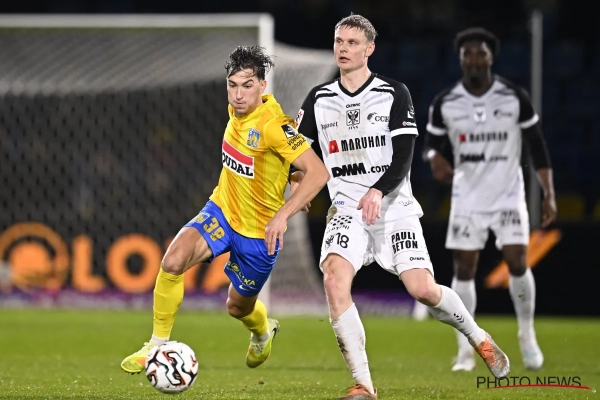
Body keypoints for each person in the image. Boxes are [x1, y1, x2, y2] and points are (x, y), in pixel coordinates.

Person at [292, 15, 510, 400]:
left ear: (369, 48)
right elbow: (300, 156)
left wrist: (377, 191)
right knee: (334, 281)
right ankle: (364, 385)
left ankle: (478, 337)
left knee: (422, 289)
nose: (343, 49)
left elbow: (404, 158)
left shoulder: (393, 93)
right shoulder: (318, 99)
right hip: (346, 209)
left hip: (394, 207)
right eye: (339, 41)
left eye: (352, 43)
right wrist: (298, 184)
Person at [120, 45, 330, 374]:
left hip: (259, 234)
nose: (238, 94)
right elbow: (275, 163)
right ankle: (156, 346)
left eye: (247, 85)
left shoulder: (274, 126)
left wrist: (283, 214)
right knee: (173, 261)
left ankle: (263, 331)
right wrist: (292, 175)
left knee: (237, 307)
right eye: (232, 85)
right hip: (222, 210)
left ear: (262, 86)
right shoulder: (236, 110)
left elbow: (318, 172)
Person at [423, 27, 556, 372]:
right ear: (460, 60)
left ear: (491, 57)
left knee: (517, 261)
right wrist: (434, 159)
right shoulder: (446, 102)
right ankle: (466, 350)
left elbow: (537, 146)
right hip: (467, 195)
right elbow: (430, 146)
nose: (474, 59)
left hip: (507, 193)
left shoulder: (513, 97)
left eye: (480, 53)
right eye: (467, 54)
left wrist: (548, 193)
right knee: (463, 269)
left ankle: (527, 335)